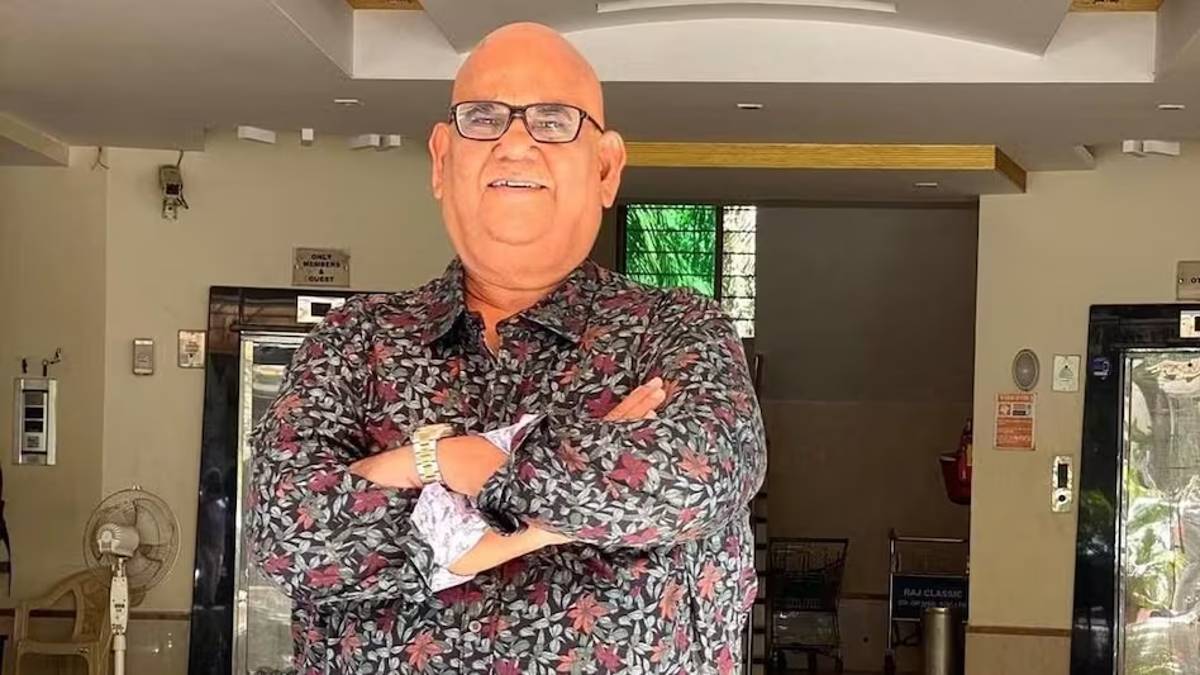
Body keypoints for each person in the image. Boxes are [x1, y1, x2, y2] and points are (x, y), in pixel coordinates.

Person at [250, 21, 766, 674]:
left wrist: (445, 466)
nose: (515, 143)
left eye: (553, 121)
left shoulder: (676, 330)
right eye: (484, 118)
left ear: (605, 168)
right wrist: (566, 495)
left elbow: (698, 478)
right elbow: (286, 530)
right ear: (442, 160)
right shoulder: (356, 341)